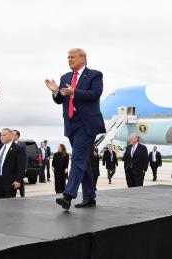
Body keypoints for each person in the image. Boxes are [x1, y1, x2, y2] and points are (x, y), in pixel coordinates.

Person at [45, 48, 106, 210]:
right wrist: (56, 91)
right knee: (83, 161)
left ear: (83, 59)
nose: (69, 60)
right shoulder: (65, 77)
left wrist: (75, 92)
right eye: (68, 57)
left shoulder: (95, 75)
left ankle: (68, 195)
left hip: (87, 124)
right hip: (71, 124)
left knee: (77, 158)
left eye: (72, 57)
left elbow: (95, 94)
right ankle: (89, 197)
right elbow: (60, 100)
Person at [12, 130, 27, 197]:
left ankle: (22, 194)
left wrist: (25, 167)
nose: (12, 135)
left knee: (20, 180)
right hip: (12, 167)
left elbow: (25, 156)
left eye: (13, 134)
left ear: (17, 136)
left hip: (19, 166)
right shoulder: (10, 143)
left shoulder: (22, 145)